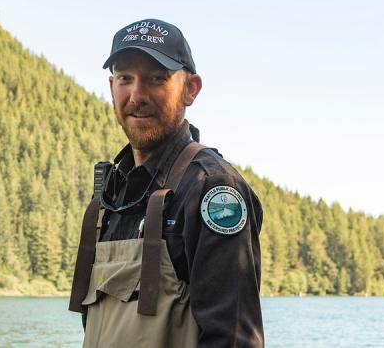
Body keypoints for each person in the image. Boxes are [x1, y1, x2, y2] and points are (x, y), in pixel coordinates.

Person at [69, 18, 264, 347]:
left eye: (156, 78)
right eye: (125, 78)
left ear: (191, 89)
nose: (137, 95)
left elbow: (233, 340)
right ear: (111, 86)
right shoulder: (113, 192)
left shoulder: (212, 188)